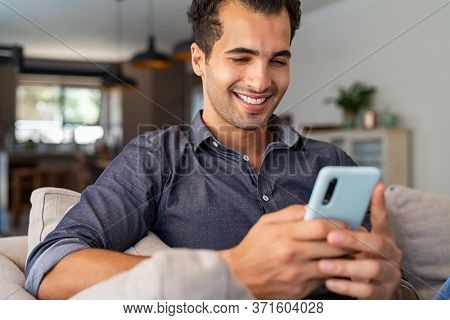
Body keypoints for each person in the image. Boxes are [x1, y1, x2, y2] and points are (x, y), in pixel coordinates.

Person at [25, 0, 407, 300]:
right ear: (199, 60)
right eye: (240, 58)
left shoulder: (331, 162)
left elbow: (396, 287)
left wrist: (391, 291)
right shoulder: (156, 159)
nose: (260, 81)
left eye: (278, 60)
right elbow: (51, 267)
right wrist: (229, 271)